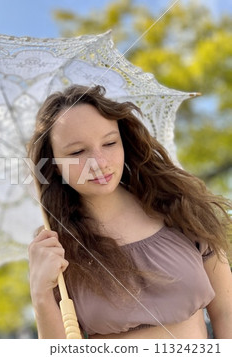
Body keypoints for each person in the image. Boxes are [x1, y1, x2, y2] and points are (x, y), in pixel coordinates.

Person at [27, 85, 232, 339]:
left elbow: (226, 311)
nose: (99, 162)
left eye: (110, 143)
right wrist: (40, 294)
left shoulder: (181, 208)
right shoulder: (54, 245)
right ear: (54, 164)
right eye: (78, 152)